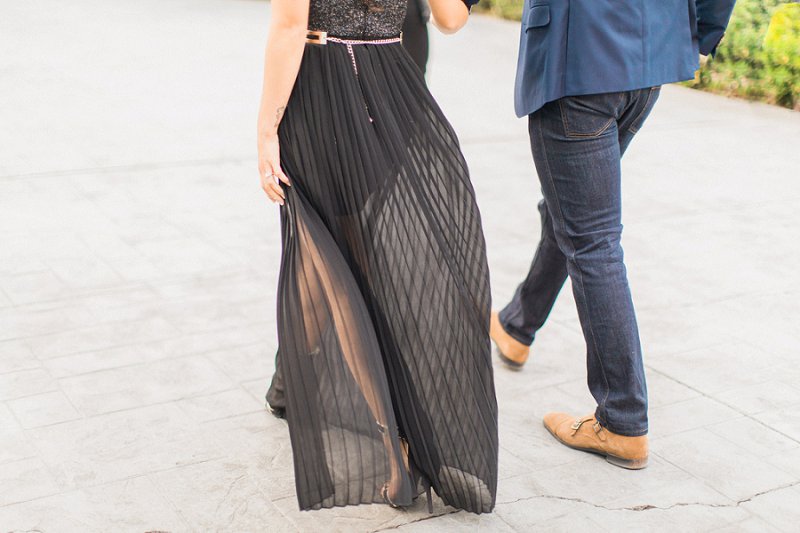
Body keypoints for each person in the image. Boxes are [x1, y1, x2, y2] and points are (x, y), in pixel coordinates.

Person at [256, 0, 497, 514]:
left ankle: (395, 443)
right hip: (391, 92)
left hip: (323, 91)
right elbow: (453, 19)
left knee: (334, 259)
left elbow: (289, 26)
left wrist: (265, 130)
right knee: (344, 254)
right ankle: (288, 382)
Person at [491, 0, 737, 470]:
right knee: (576, 214)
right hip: (650, 57)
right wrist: (700, 32)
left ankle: (623, 419)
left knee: (592, 240)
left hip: (578, 61)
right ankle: (516, 325)